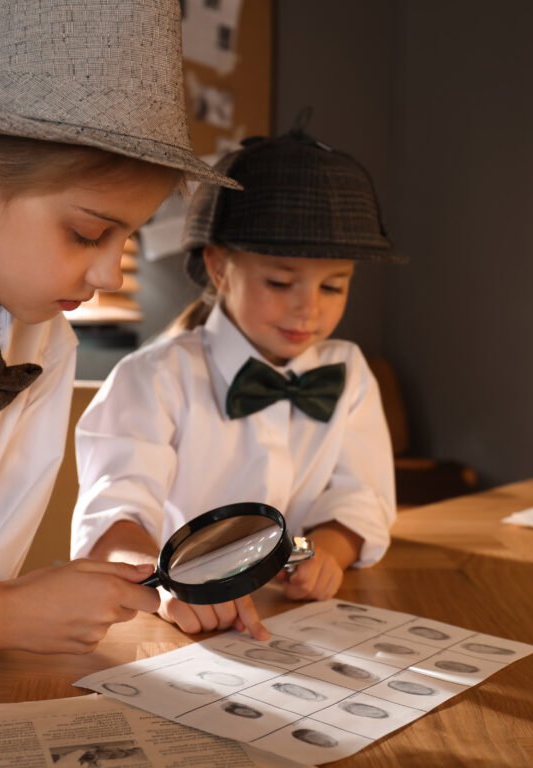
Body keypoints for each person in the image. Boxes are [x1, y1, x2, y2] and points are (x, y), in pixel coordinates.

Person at [0, 0, 236, 694]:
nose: (109, 275)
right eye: (87, 233)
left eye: (128, 237)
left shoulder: (46, 344)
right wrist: (2, 617)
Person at [71, 129, 399, 639]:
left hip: (290, 617)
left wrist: (330, 551)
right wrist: (168, 587)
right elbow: (115, 511)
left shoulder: (349, 371)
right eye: (280, 281)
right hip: (170, 622)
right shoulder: (154, 378)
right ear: (220, 268)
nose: (308, 308)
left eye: (333, 285)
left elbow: (362, 493)